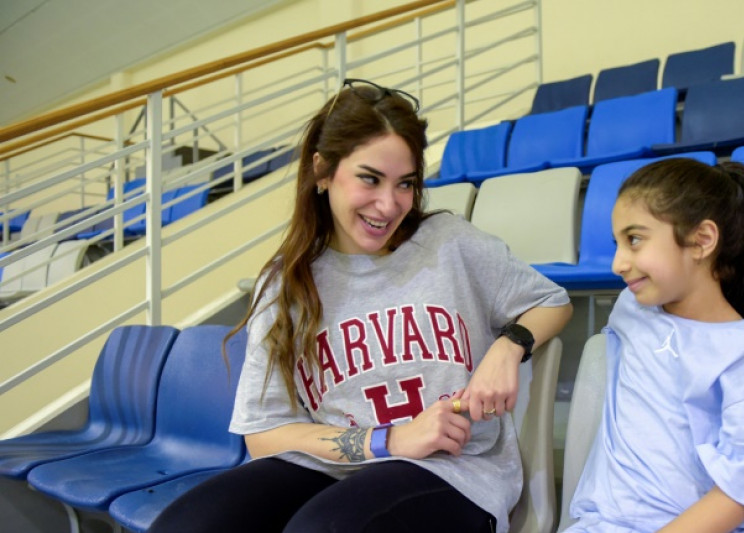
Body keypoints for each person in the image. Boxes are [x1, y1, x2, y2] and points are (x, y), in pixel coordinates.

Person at [148, 79, 572, 533]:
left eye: (405, 184)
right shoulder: (285, 282)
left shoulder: (450, 244)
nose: (388, 205)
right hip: (335, 468)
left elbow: (552, 301)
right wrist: (389, 439)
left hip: (452, 470)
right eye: (369, 178)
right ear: (323, 171)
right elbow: (264, 434)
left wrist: (508, 347)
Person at [564, 158, 744, 533]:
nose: (618, 262)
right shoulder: (631, 309)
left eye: (634, 240)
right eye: (617, 242)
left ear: (702, 240)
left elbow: (738, 494)